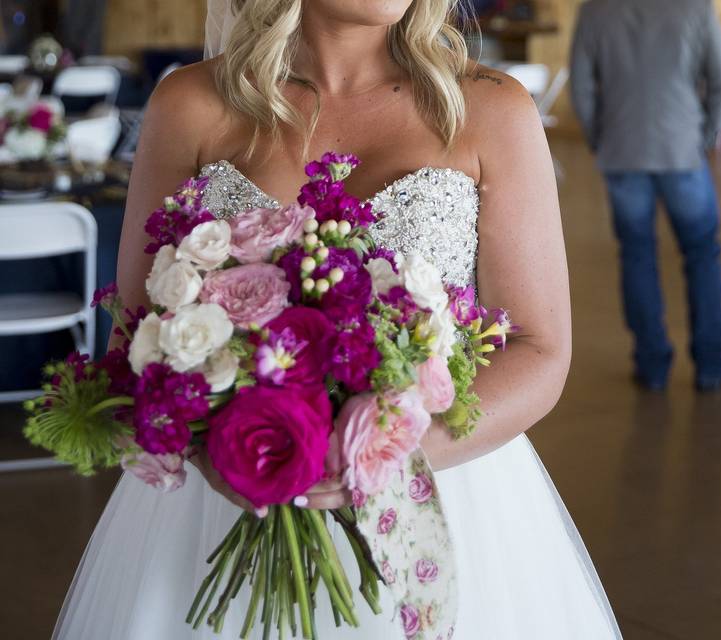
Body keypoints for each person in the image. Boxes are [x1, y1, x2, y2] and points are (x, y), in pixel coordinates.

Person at [53, 1, 622, 638]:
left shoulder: (492, 109)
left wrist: (380, 456)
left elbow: (539, 348)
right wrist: (223, 446)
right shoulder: (188, 105)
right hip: (226, 499)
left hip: (444, 494)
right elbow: (137, 336)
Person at [570, 0, 721, 392]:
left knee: (636, 254)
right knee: (702, 253)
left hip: (621, 149)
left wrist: (600, 139)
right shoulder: (695, 8)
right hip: (682, 150)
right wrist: (705, 139)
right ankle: (712, 366)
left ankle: (651, 367)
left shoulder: (596, 10)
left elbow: (580, 86)